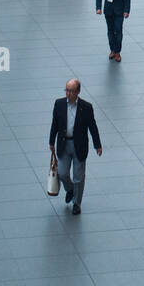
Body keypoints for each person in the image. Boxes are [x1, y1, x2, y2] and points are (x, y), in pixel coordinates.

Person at [49, 78, 102, 214]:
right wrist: (51, 142)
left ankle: (77, 203)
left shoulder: (86, 107)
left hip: (79, 145)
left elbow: (92, 127)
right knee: (62, 173)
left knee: (78, 177)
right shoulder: (59, 104)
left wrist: (97, 145)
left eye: (71, 91)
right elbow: (55, 123)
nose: (68, 93)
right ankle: (70, 189)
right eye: (67, 90)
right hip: (63, 144)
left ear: (78, 91)